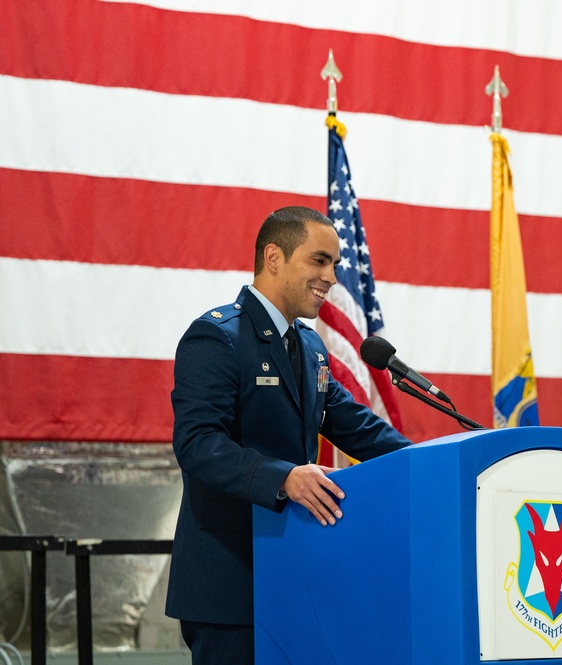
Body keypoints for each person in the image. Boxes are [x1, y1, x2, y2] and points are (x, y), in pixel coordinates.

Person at [165, 206, 411, 663]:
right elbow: (199, 445)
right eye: (319, 260)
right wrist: (283, 478)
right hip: (229, 583)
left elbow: (355, 425)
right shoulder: (217, 337)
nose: (331, 276)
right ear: (274, 257)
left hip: (293, 573)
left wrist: (430, 461)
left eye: (335, 264)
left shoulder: (310, 346)